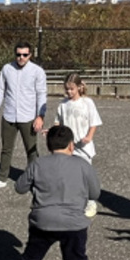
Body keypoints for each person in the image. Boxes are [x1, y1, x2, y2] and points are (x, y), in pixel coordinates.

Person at [0, 125, 101, 260]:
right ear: (71, 145)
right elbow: (95, 194)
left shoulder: (38, 164)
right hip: (74, 223)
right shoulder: (82, 164)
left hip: (43, 220)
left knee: (30, 259)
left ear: (49, 146)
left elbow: (20, 188)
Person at [0, 42, 47, 189]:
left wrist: (40, 116)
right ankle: (2, 178)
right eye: (18, 54)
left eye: (25, 55)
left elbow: (41, 95)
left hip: (29, 117)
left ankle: (34, 179)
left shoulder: (37, 71)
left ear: (30, 55)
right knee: (6, 148)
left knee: (31, 150)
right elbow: (0, 90)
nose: (21, 57)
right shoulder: (7, 69)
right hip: (9, 116)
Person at [56, 75, 102, 217]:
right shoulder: (63, 105)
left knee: (85, 174)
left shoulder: (87, 103)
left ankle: (91, 201)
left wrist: (89, 137)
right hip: (68, 147)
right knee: (68, 175)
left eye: (72, 89)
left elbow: (94, 122)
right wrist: (53, 132)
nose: (69, 92)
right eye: (67, 89)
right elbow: (58, 123)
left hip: (83, 147)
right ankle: (72, 201)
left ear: (79, 87)